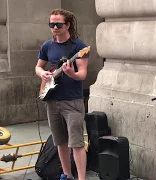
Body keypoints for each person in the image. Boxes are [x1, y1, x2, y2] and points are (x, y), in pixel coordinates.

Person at [35, 8, 89, 180]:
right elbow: (38, 67)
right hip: (52, 101)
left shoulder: (79, 47)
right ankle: (66, 175)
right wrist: (42, 74)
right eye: (52, 24)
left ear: (68, 25)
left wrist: (71, 74)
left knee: (77, 143)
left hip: (72, 101)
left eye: (58, 24)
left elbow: (82, 73)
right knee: (60, 141)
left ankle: (81, 178)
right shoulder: (47, 46)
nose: (55, 27)